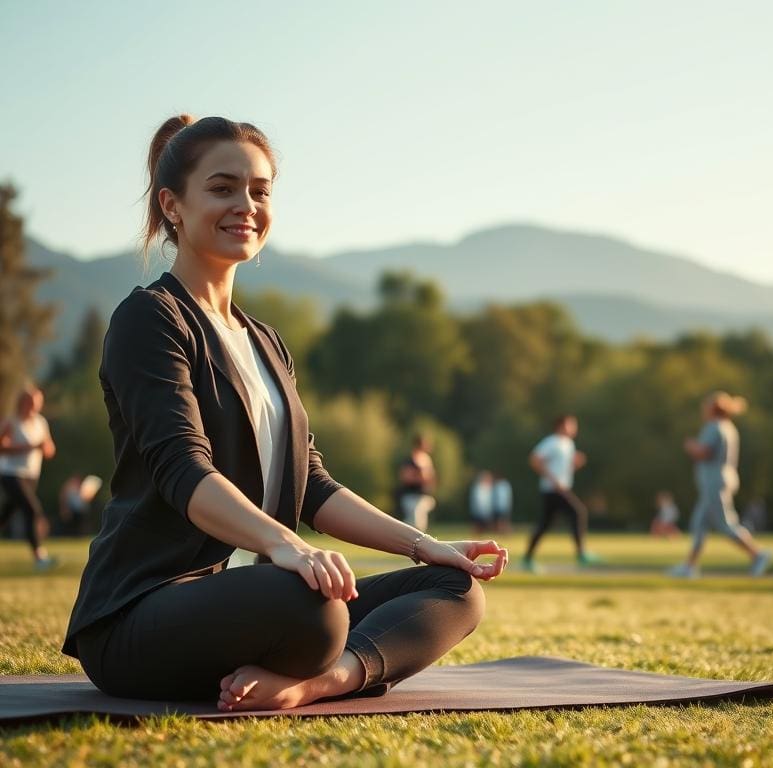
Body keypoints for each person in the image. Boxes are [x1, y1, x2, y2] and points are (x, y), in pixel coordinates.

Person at [61, 115, 507, 712]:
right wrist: (284, 546)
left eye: (260, 190)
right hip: (142, 610)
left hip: (259, 596)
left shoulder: (265, 340)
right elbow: (181, 471)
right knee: (312, 607)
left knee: (454, 588)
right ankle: (315, 654)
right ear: (173, 205)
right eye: (222, 188)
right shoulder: (150, 319)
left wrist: (427, 545)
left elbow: (312, 485)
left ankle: (322, 681)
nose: (245, 204)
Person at [670, 392, 772, 578]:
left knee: (725, 524)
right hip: (722, 480)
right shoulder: (729, 427)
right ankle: (689, 566)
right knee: (699, 524)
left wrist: (691, 446)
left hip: (714, 483)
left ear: (713, 409)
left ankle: (758, 554)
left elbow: (705, 452)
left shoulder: (714, 427)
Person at [523, 414, 597, 571]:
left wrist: (576, 464)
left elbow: (565, 468)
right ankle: (581, 554)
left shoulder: (568, 444)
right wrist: (553, 480)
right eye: (572, 425)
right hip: (553, 490)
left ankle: (527, 559)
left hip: (561, 488)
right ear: (561, 426)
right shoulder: (552, 442)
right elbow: (535, 460)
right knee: (578, 512)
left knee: (545, 524)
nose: (574, 428)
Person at [0, 387, 58, 569]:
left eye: (38, 402)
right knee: (32, 510)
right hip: (11, 473)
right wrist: (29, 447)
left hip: (31, 475)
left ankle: (39, 557)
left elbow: (50, 450)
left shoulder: (41, 423)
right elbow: (2, 446)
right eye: (32, 402)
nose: (36, 406)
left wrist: (44, 447)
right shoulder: (12, 421)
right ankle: (40, 558)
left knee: (6, 514)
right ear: (23, 402)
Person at [396, 433, 437, 531]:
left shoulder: (426, 459)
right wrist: (420, 477)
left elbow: (431, 477)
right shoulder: (410, 460)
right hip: (411, 496)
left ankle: (416, 544)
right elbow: (405, 477)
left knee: (420, 525)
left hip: (422, 496)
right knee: (412, 524)